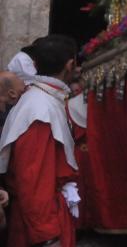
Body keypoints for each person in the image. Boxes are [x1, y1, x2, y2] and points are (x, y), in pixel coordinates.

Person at [0, 34, 80, 247]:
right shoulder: (39, 110)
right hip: (39, 227)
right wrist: (48, 236)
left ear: (34, 64)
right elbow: (33, 181)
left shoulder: (41, 100)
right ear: (70, 65)